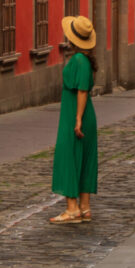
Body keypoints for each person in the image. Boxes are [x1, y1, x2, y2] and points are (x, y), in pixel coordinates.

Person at [49, 14, 98, 224]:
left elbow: (82, 91)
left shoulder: (78, 60)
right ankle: (85, 207)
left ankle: (71, 209)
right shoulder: (86, 59)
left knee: (68, 157)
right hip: (86, 114)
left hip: (75, 113)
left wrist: (77, 119)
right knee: (85, 159)